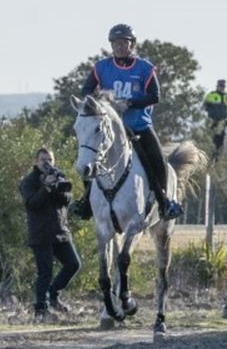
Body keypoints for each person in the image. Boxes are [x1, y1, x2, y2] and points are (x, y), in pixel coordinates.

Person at [71, 23, 185, 222]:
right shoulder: (101, 67)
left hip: (138, 124)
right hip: (111, 127)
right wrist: (101, 103)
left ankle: (164, 201)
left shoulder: (144, 68)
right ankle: (86, 202)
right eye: (115, 43)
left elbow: (154, 96)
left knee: (158, 159)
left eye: (124, 43)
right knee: (88, 154)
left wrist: (130, 103)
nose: (119, 47)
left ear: (132, 44)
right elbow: (86, 91)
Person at [20, 147, 79, 320]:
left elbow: (67, 199)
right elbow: (31, 204)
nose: (47, 163)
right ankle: (41, 309)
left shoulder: (58, 175)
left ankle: (53, 295)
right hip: (40, 233)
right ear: (36, 162)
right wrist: (46, 187)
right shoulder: (29, 181)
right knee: (45, 272)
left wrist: (57, 185)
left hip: (60, 231)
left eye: (50, 160)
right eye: (43, 160)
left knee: (73, 264)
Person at [205, 78, 227, 155]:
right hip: (212, 122)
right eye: (220, 86)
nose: (222, 87)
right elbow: (206, 107)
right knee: (211, 141)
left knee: (220, 142)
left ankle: (216, 160)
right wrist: (212, 115)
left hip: (222, 123)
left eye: (223, 86)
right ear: (217, 86)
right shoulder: (211, 95)